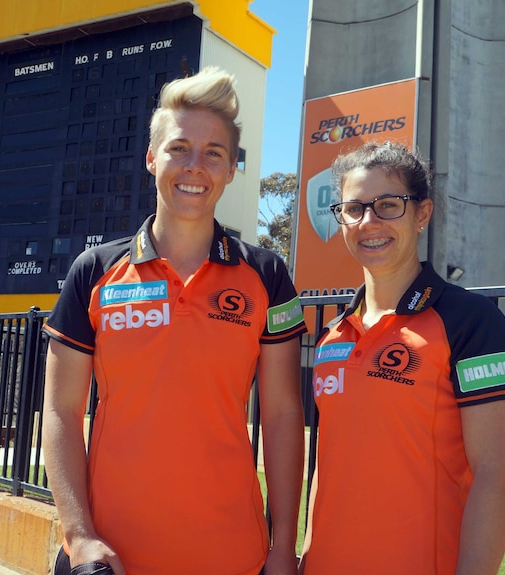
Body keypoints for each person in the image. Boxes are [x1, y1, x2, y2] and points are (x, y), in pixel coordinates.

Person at [42, 66, 307, 575]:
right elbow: (60, 410)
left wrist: (279, 549)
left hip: (233, 554)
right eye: (179, 148)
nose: (195, 166)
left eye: (214, 154)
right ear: (151, 158)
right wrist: (80, 537)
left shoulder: (268, 274)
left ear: (231, 170)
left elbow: (280, 415)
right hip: (111, 559)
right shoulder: (95, 270)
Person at [298, 141, 505, 575]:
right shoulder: (332, 335)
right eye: (354, 208)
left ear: (422, 214)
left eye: (388, 205)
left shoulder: (472, 322)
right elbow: (329, 469)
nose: (369, 222)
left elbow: (497, 476)